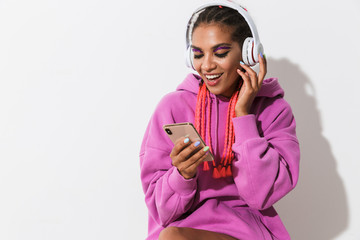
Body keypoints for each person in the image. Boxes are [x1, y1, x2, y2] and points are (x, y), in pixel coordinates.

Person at [139, 1, 300, 239]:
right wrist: (182, 175)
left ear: (249, 52)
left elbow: (261, 195)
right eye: (197, 54)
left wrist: (243, 115)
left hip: (246, 229)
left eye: (220, 52)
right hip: (180, 229)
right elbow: (162, 212)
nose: (206, 65)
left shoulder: (274, 110)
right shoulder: (171, 108)